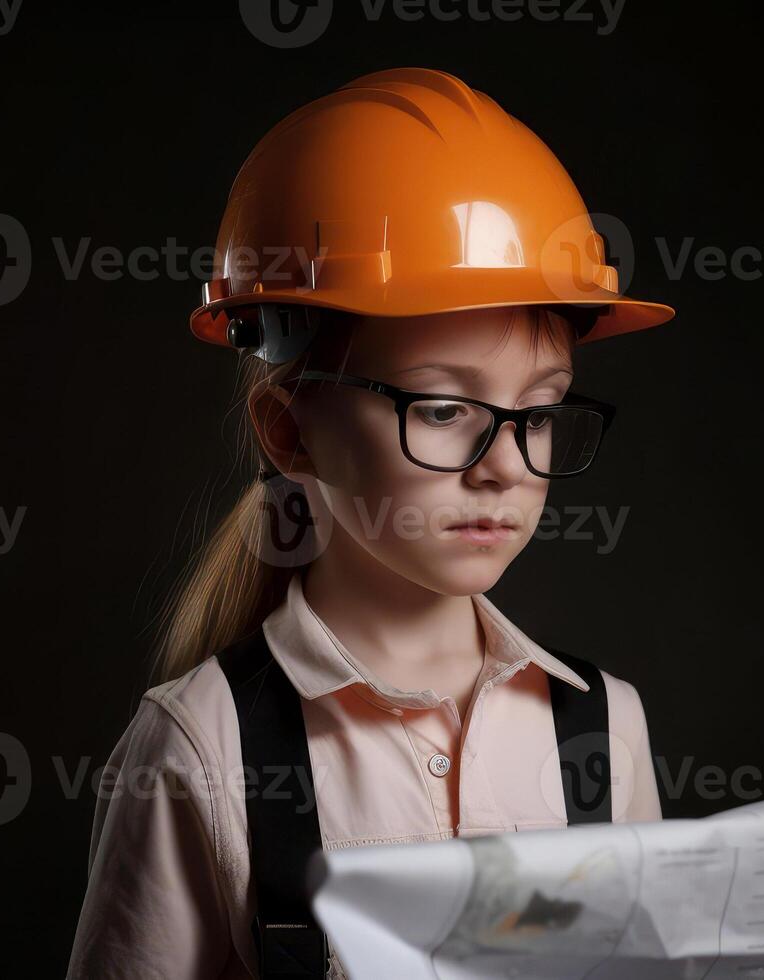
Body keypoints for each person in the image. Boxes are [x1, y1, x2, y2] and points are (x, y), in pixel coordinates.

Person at [67, 67, 676, 979]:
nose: (505, 464)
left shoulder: (598, 726)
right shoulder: (203, 746)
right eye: (440, 410)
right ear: (288, 429)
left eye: (538, 412)